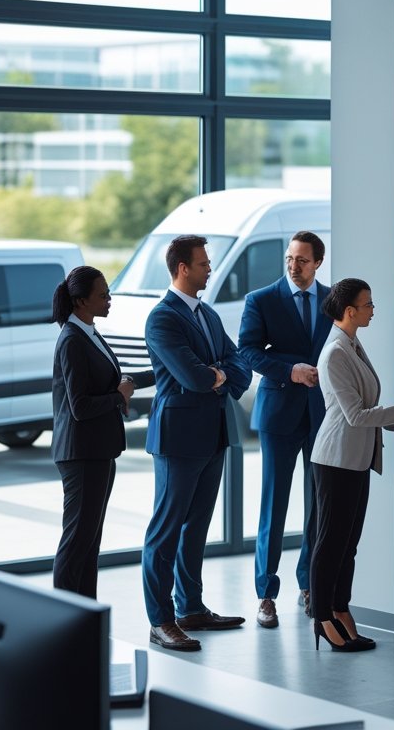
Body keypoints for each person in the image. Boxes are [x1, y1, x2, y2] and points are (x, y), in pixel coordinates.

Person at [310, 278, 394, 652]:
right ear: (350, 312)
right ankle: (322, 616)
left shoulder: (351, 343)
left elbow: (364, 406)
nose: (373, 310)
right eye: (368, 305)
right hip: (336, 460)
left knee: (348, 544)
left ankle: (340, 607)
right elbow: (354, 415)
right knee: (330, 543)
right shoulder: (335, 352)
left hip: (357, 459)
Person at [143, 235, 252, 652]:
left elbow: (239, 363)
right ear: (182, 268)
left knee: (196, 529)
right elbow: (194, 377)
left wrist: (219, 372)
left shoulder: (206, 313)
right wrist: (217, 374)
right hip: (179, 437)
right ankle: (160, 619)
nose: (210, 268)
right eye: (203, 263)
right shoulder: (162, 318)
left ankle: (190, 608)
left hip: (213, 432)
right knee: (165, 531)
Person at [238, 231, 330, 628]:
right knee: (273, 505)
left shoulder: (332, 301)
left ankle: (308, 584)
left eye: (302, 260)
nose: (294, 266)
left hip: (321, 415)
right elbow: (248, 350)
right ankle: (265, 594)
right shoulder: (260, 300)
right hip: (279, 414)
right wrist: (289, 370)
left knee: (317, 504)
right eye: (290, 259)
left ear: (318, 263)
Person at [50, 265, 154, 599]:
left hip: (98, 450)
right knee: (78, 539)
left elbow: (114, 382)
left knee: (89, 540)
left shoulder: (88, 333)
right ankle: (64, 616)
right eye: (103, 294)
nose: (109, 299)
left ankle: (85, 614)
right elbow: (79, 406)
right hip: (82, 453)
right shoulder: (72, 341)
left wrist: (150, 374)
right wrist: (117, 397)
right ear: (80, 301)